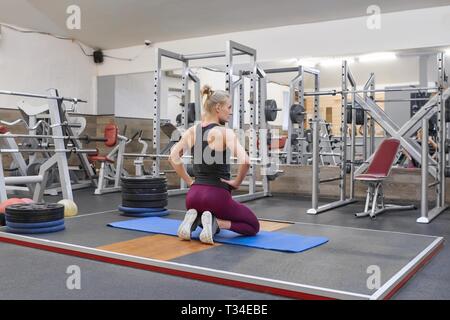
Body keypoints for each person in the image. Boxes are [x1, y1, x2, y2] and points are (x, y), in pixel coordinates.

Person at [169, 85, 260, 245]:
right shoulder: (226, 132)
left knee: (204, 208)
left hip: (193, 197)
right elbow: (245, 161)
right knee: (253, 225)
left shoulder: (192, 130)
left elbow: (172, 157)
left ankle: (195, 219)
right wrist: (236, 183)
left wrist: (190, 181)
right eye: (229, 107)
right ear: (218, 107)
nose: (230, 112)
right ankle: (217, 222)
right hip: (216, 197)